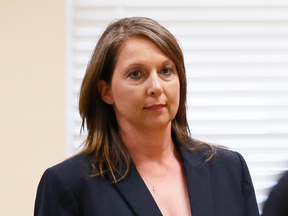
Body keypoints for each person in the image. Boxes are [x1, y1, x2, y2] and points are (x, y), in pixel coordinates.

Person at [34, 17, 260, 216]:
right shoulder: (68, 185)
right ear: (106, 91)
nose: (156, 87)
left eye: (166, 71)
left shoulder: (228, 169)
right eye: (136, 74)